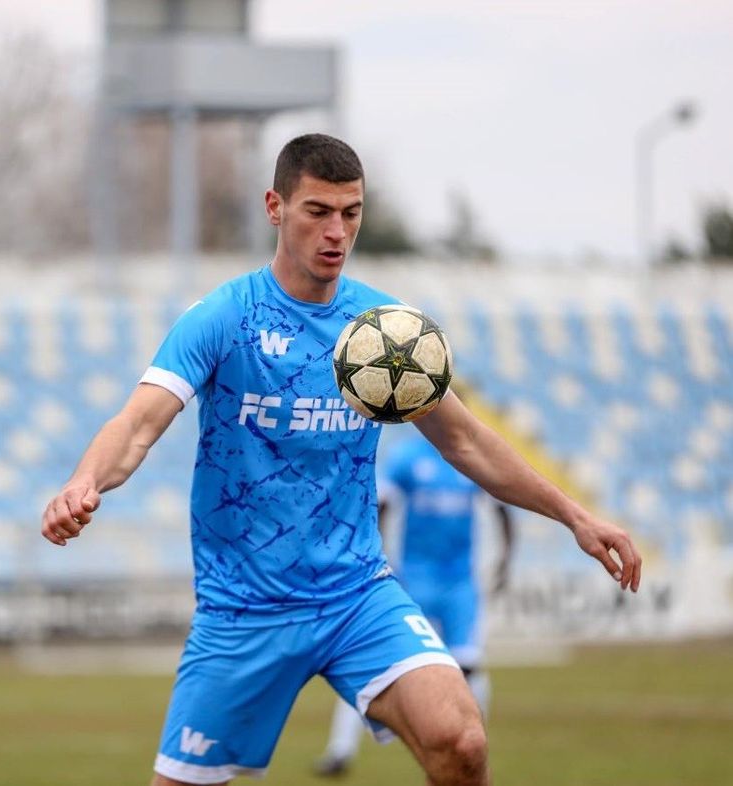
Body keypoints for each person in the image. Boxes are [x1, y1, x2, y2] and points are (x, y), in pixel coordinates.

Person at [40, 133, 641, 786]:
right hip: (246, 610)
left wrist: (576, 516)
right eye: (318, 211)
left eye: (351, 213)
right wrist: (83, 482)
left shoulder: (383, 331)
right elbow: (136, 426)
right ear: (275, 207)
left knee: (462, 740)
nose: (337, 232)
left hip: (356, 595)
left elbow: (465, 440)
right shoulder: (224, 318)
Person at [314, 432, 515, 778]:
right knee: (368, 665)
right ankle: (340, 751)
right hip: (413, 578)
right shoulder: (407, 457)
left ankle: (475, 745)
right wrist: (373, 554)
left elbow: (502, 507)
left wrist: (505, 560)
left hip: (459, 583)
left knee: (469, 665)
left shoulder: (468, 456)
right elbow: (382, 504)